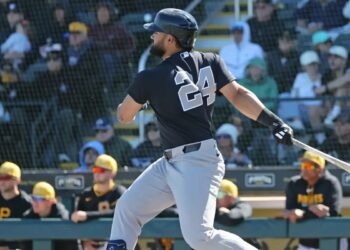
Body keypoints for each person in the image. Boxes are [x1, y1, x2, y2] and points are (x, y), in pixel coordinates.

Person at [107, 8, 293, 250]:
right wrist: (274, 122)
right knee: (127, 208)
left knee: (199, 236)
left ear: (171, 39)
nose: (152, 36)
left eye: (157, 32)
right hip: (174, 161)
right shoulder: (211, 60)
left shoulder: (149, 77)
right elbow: (238, 95)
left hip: (195, 162)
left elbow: (124, 115)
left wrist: (142, 100)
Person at [282, 150, 342, 250]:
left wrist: (302, 213)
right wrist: (311, 210)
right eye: (303, 165)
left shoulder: (330, 183)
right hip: (305, 242)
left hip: (331, 241)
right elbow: (290, 211)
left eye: (308, 166)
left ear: (320, 169)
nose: (304, 169)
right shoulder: (294, 183)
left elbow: (333, 212)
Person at [71, 154, 126, 250]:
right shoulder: (86, 194)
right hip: (89, 244)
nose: (96, 173)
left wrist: (88, 215)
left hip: (114, 243)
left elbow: (118, 214)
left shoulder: (119, 192)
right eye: (95, 169)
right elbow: (77, 217)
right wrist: (85, 238)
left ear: (112, 173)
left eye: (101, 170)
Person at [23, 181, 77, 250]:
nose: (35, 203)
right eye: (33, 198)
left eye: (39, 199)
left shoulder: (62, 218)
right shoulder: (27, 218)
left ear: (50, 202)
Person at [215, 179, 264, 249]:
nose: (216, 198)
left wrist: (221, 213)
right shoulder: (215, 210)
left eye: (219, 194)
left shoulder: (244, 206)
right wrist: (220, 212)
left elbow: (233, 218)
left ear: (231, 197)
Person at [0, 161, 32, 249]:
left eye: (7, 177)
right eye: (0, 177)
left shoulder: (27, 203)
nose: (2, 181)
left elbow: (29, 235)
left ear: (17, 180)